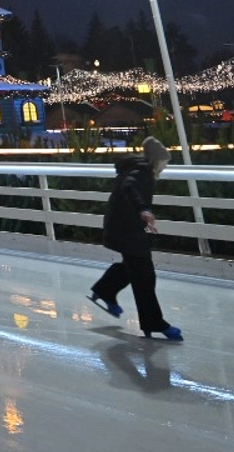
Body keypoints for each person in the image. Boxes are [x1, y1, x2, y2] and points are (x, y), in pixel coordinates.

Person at [88, 136, 183, 341]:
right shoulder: (142, 171)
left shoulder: (136, 167)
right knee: (145, 276)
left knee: (136, 268)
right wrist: (144, 210)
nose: (164, 166)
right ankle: (153, 322)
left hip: (122, 227)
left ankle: (105, 289)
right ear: (155, 159)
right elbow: (129, 187)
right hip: (126, 229)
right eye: (163, 161)